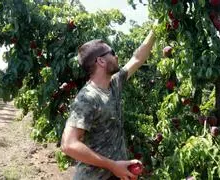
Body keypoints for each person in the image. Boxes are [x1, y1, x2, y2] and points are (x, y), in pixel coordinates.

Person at [61, 27, 156, 180]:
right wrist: (112, 165)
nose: (116, 56)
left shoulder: (113, 84)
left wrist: (154, 30)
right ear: (101, 60)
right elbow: (68, 144)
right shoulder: (87, 97)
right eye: (112, 53)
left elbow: (137, 58)